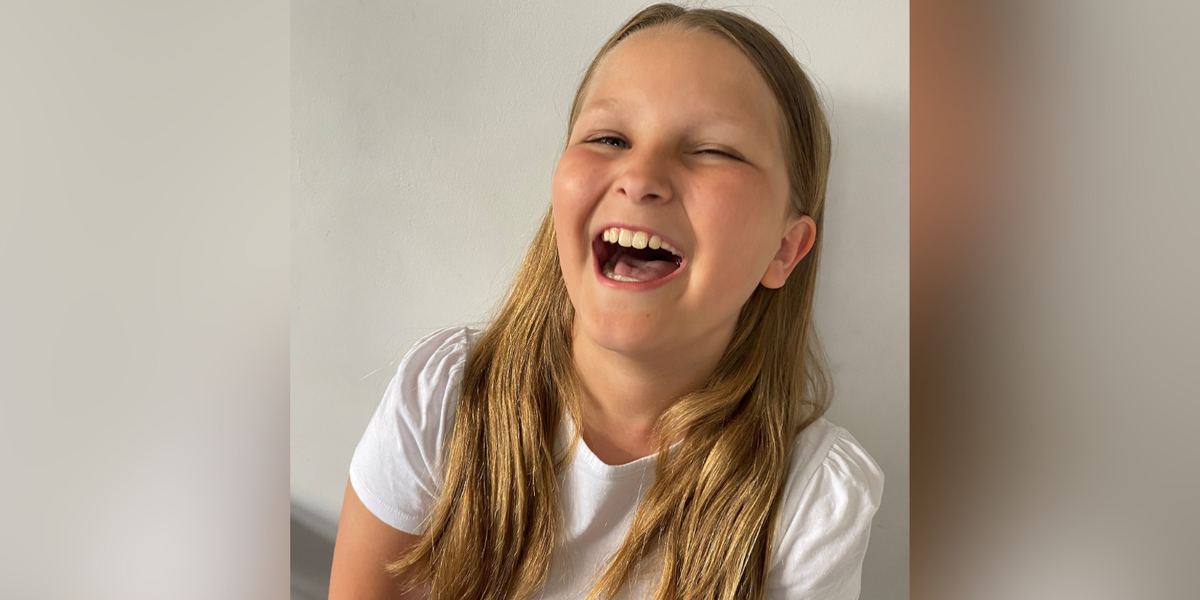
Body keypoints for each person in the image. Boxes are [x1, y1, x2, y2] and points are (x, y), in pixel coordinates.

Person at [329, 4, 884, 599]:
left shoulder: (811, 504)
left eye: (713, 150)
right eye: (609, 138)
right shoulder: (444, 400)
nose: (640, 176)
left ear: (785, 249)